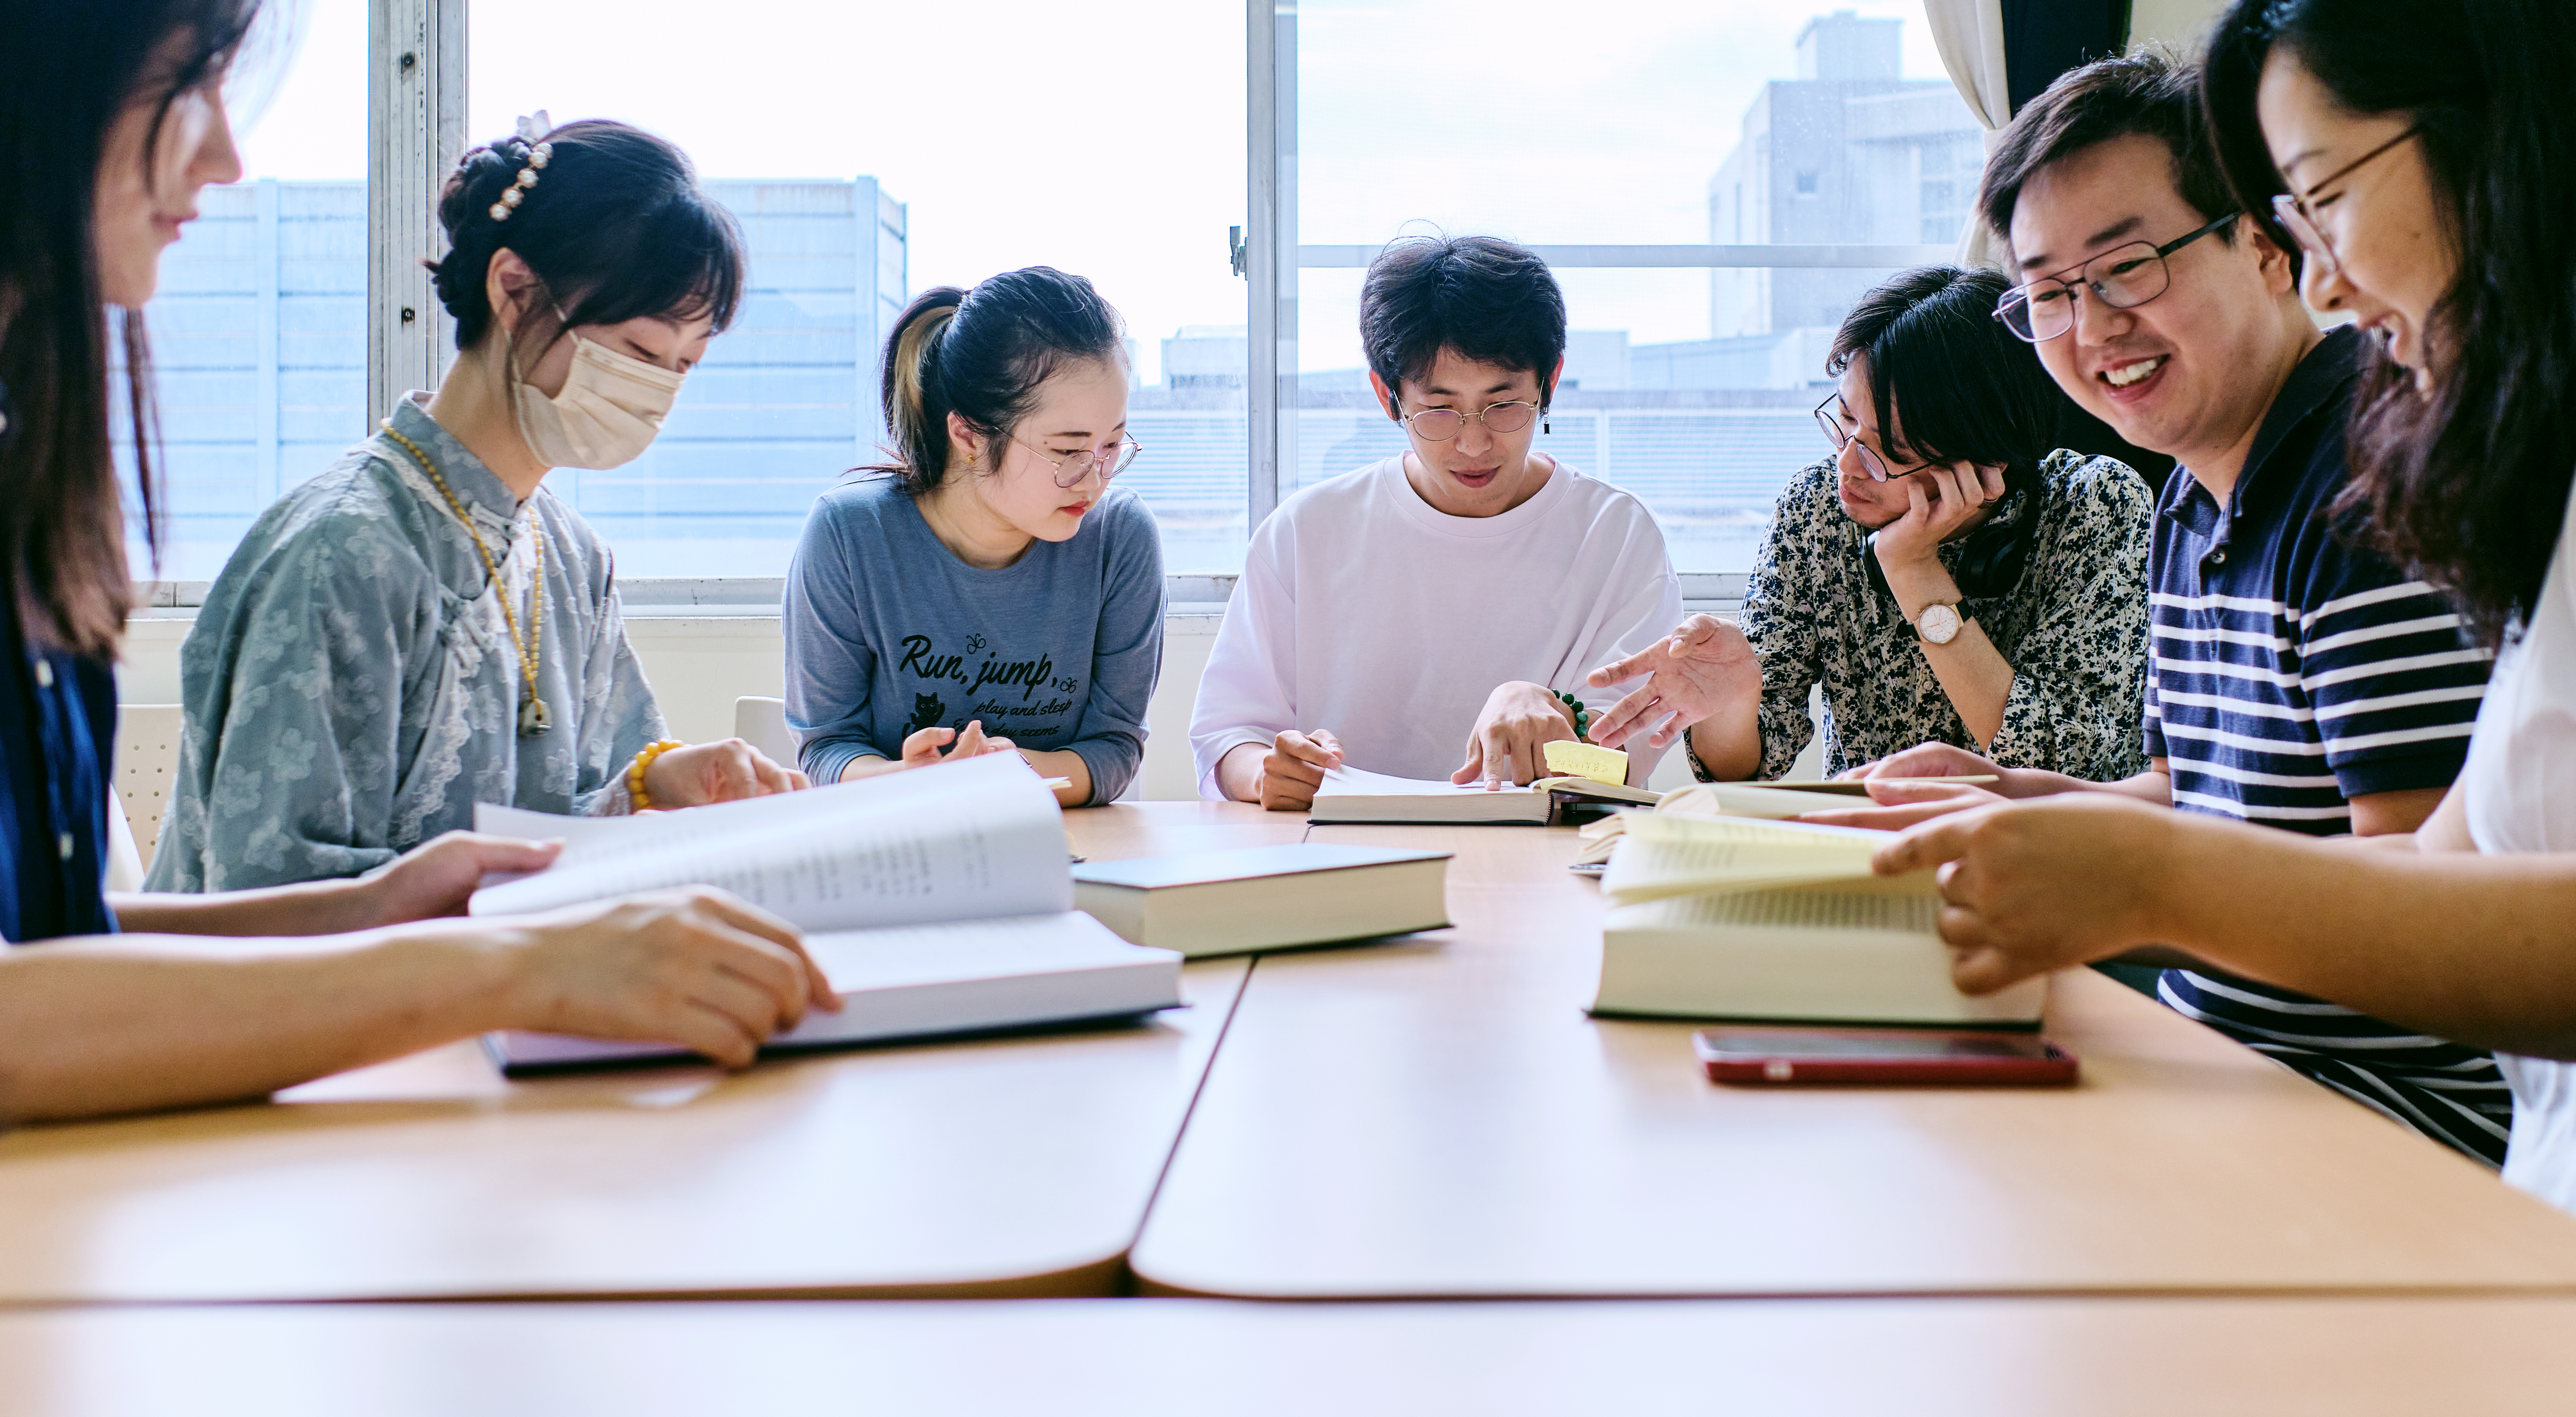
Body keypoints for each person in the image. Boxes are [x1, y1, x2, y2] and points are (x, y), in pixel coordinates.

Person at [1876, 0, 2576, 1286]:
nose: (2326, 278)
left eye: (2324, 199)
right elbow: (2444, 862)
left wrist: (2149, 876)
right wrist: (2082, 840)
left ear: (2511, 128)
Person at [0, 0, 832, 1118]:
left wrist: (407, 902)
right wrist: (504, 969)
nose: (228, 153)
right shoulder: (341, 554)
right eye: (182, 83)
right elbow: (10, 1018)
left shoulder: (563, 552)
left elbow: (54, 943)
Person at [1836, 50, 2509, 1165]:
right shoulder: (2193, 493)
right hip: (2230, 1057)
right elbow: (2197, 792)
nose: (2089, 327)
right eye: (2047, 293)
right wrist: (2019, 798)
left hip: (2387, 1110)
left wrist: (2131, 885)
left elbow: (2425, 894)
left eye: (2128, 266)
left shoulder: (2366, 484)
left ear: (2259, 240)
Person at [150, 115, 801, 893]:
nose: (658, 391)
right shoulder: (343, 555)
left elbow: (571, 805)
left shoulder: (570, 556)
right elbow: (274, 893)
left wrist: (656, 784)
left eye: (684, 366)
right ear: (514, 290)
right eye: (638, 352)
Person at [1585, 268, 2152, 785]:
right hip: (1869, 859)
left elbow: (2069, 767)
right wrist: (1732, 704)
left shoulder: (2095, 506)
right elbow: (1743, 771)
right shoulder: (1816, 508)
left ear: (1987, 461)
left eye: (1891, 452)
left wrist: (1913, 569)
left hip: (2050, 865)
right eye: (1848, 420)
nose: (1848, 467)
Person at [1192, 232, 1681, 809]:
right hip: (1344, 859)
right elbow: (1228, 737)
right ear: (1387, 396)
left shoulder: (1616, 535)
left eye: (1503, 405)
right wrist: (1267, 774)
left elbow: (1624, 760)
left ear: (1549, 384)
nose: (1474, 443)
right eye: (1440, 409)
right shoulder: (1306, 533)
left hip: (1542, 865)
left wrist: (1550, 714)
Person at [784, 272, 1163, 805]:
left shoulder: (1120, 537)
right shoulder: (849, 536)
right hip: (898, 845)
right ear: (967, 435)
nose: (1096, 477)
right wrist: (912, 782)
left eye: (1113, 445)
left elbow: (1114, 748)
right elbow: (827, 749)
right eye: (1066, 451)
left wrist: (1009, 772)